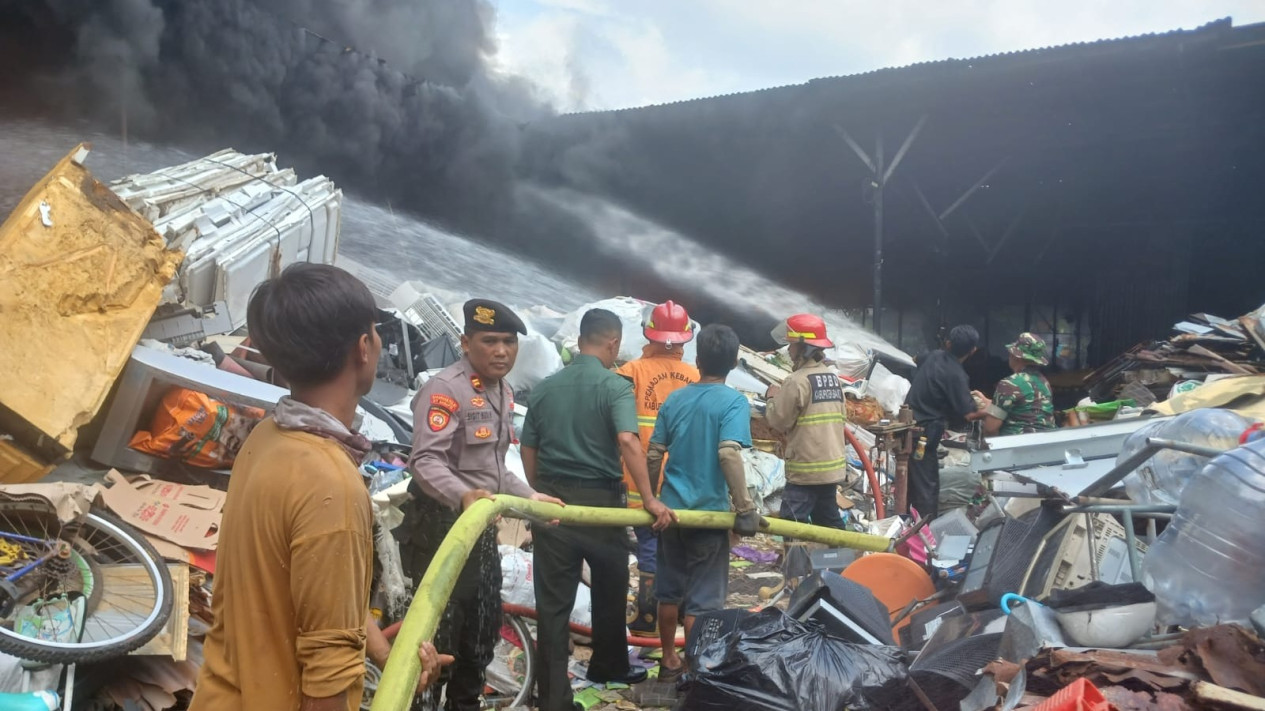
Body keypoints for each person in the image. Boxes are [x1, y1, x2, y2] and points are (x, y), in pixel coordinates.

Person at [191, 264, 448, 711]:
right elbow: (326, 678)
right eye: (374, 331)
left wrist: (386, 655)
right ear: (364, 348)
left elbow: (315, 595)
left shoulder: (268, 437)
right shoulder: (330, 485)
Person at [398, 299, 564, 711]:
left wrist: (532, 497)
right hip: (439, 527)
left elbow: (493, 469)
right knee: (436, 638)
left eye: (509, 342)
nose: (502, 351)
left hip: (479, 528)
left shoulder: (502, 392)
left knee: (480, 631)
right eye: (490, 341)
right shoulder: (446, 389)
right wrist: (463, 495)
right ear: (465, 342)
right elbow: (425, 461)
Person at [521, 308, 676, 711]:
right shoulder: (614, 385)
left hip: (554, 503)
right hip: (603, 504)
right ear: (611, 343)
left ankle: (553, 699)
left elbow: (528, 448)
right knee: (610, 584)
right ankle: (608, 664)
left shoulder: (545, 387)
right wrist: (650, 497)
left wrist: (539, 493)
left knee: (552, 605)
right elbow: (627, 440)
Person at [646, 324, 763, 681]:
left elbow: (653, 454)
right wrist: (745, 509)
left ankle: (668, 661)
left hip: (671, 513)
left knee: (668, 592)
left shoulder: (676, 399)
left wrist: (651, 500)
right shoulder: (733, 402)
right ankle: (694, 669)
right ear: (735, 362)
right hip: (709, 518)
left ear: (697, 360)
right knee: (702, 601)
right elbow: (729, 453)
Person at [615, 300, 700, 636]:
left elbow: (618, 431)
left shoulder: (629, 373)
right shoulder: (696, 378)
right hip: (684, 483)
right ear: (684, 339)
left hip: (641, 482)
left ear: (648, 334)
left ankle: (648, 617)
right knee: (683, 550)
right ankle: (681, 612)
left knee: (650, 546)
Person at [763, 314, 851, 530]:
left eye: (792, 345)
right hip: (830, 469)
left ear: (804, 347)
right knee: (827, 521)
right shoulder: (833, 379)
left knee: (791, 524)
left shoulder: (797, 381)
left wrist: (771, 398)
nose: (789, 350)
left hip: (806, 470)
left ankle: (795, 563)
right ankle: (841, 560)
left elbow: (777, 420)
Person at [904, 324, 989, 519]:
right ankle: (925, 530)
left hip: (911, 427)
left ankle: (908, 518)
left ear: (949, 343)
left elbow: (917, 359)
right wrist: (992, 410)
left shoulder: (933, 356)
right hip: (925, 433)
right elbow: (968, 415)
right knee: (927, 482)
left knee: (914, 477)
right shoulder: (957, 375)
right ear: (973, 350)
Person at [977, 332, 1057, 436]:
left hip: (1016, 445)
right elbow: (1024, 407)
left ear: (1016, 357)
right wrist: (989, 403)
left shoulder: (1009, 384)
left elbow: (990, 428)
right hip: (1045, 443)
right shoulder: (1044, 383)